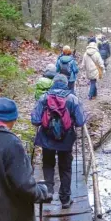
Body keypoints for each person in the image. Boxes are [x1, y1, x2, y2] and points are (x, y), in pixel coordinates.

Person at [31, 74, 85, 209]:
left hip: (46, 138)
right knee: (65, 168)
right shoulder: (72, 99)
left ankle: (48, 192)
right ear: (66, 84)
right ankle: (65, 199)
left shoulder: (44, 98)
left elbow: (35, 120)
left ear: (53, 83)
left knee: (48, 164)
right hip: (66, 140)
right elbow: (80, 122)